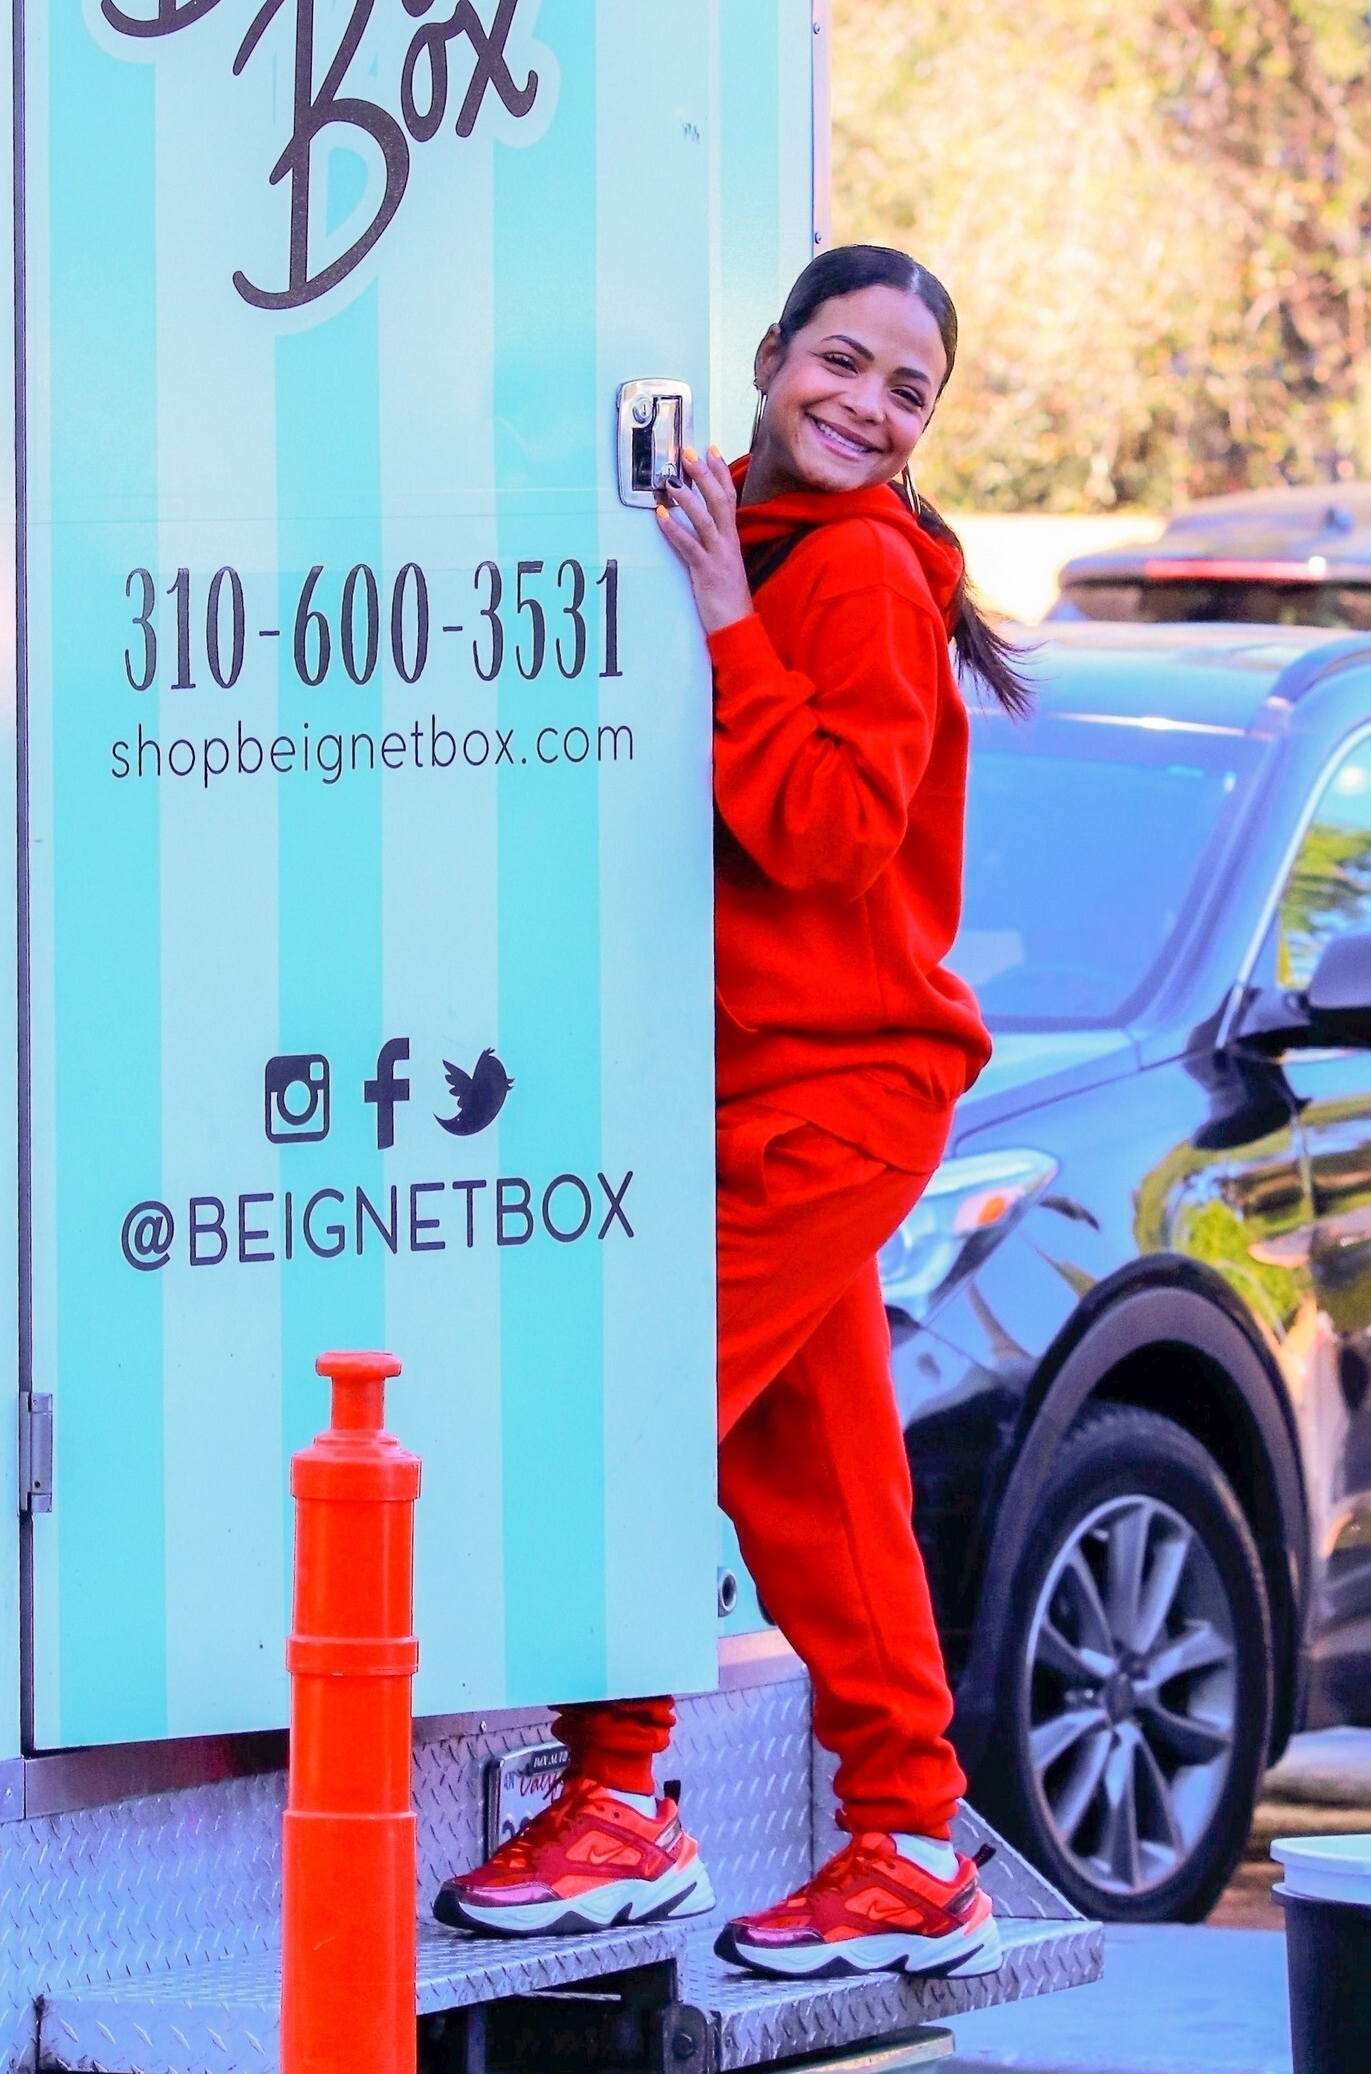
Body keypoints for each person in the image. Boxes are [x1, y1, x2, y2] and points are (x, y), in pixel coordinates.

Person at [436, 245, 1030, 1979]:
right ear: (769, 358)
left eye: (906, 391)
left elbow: (830, 836)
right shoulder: (755, 534)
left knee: (632, 1424)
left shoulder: (853, 571)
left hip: (832, 1099)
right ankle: (909, 1842)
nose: (864, 406)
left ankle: (621, 1796)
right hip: (779, 1092)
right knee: (822, 1489)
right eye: (838, 362)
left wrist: (722, 623)